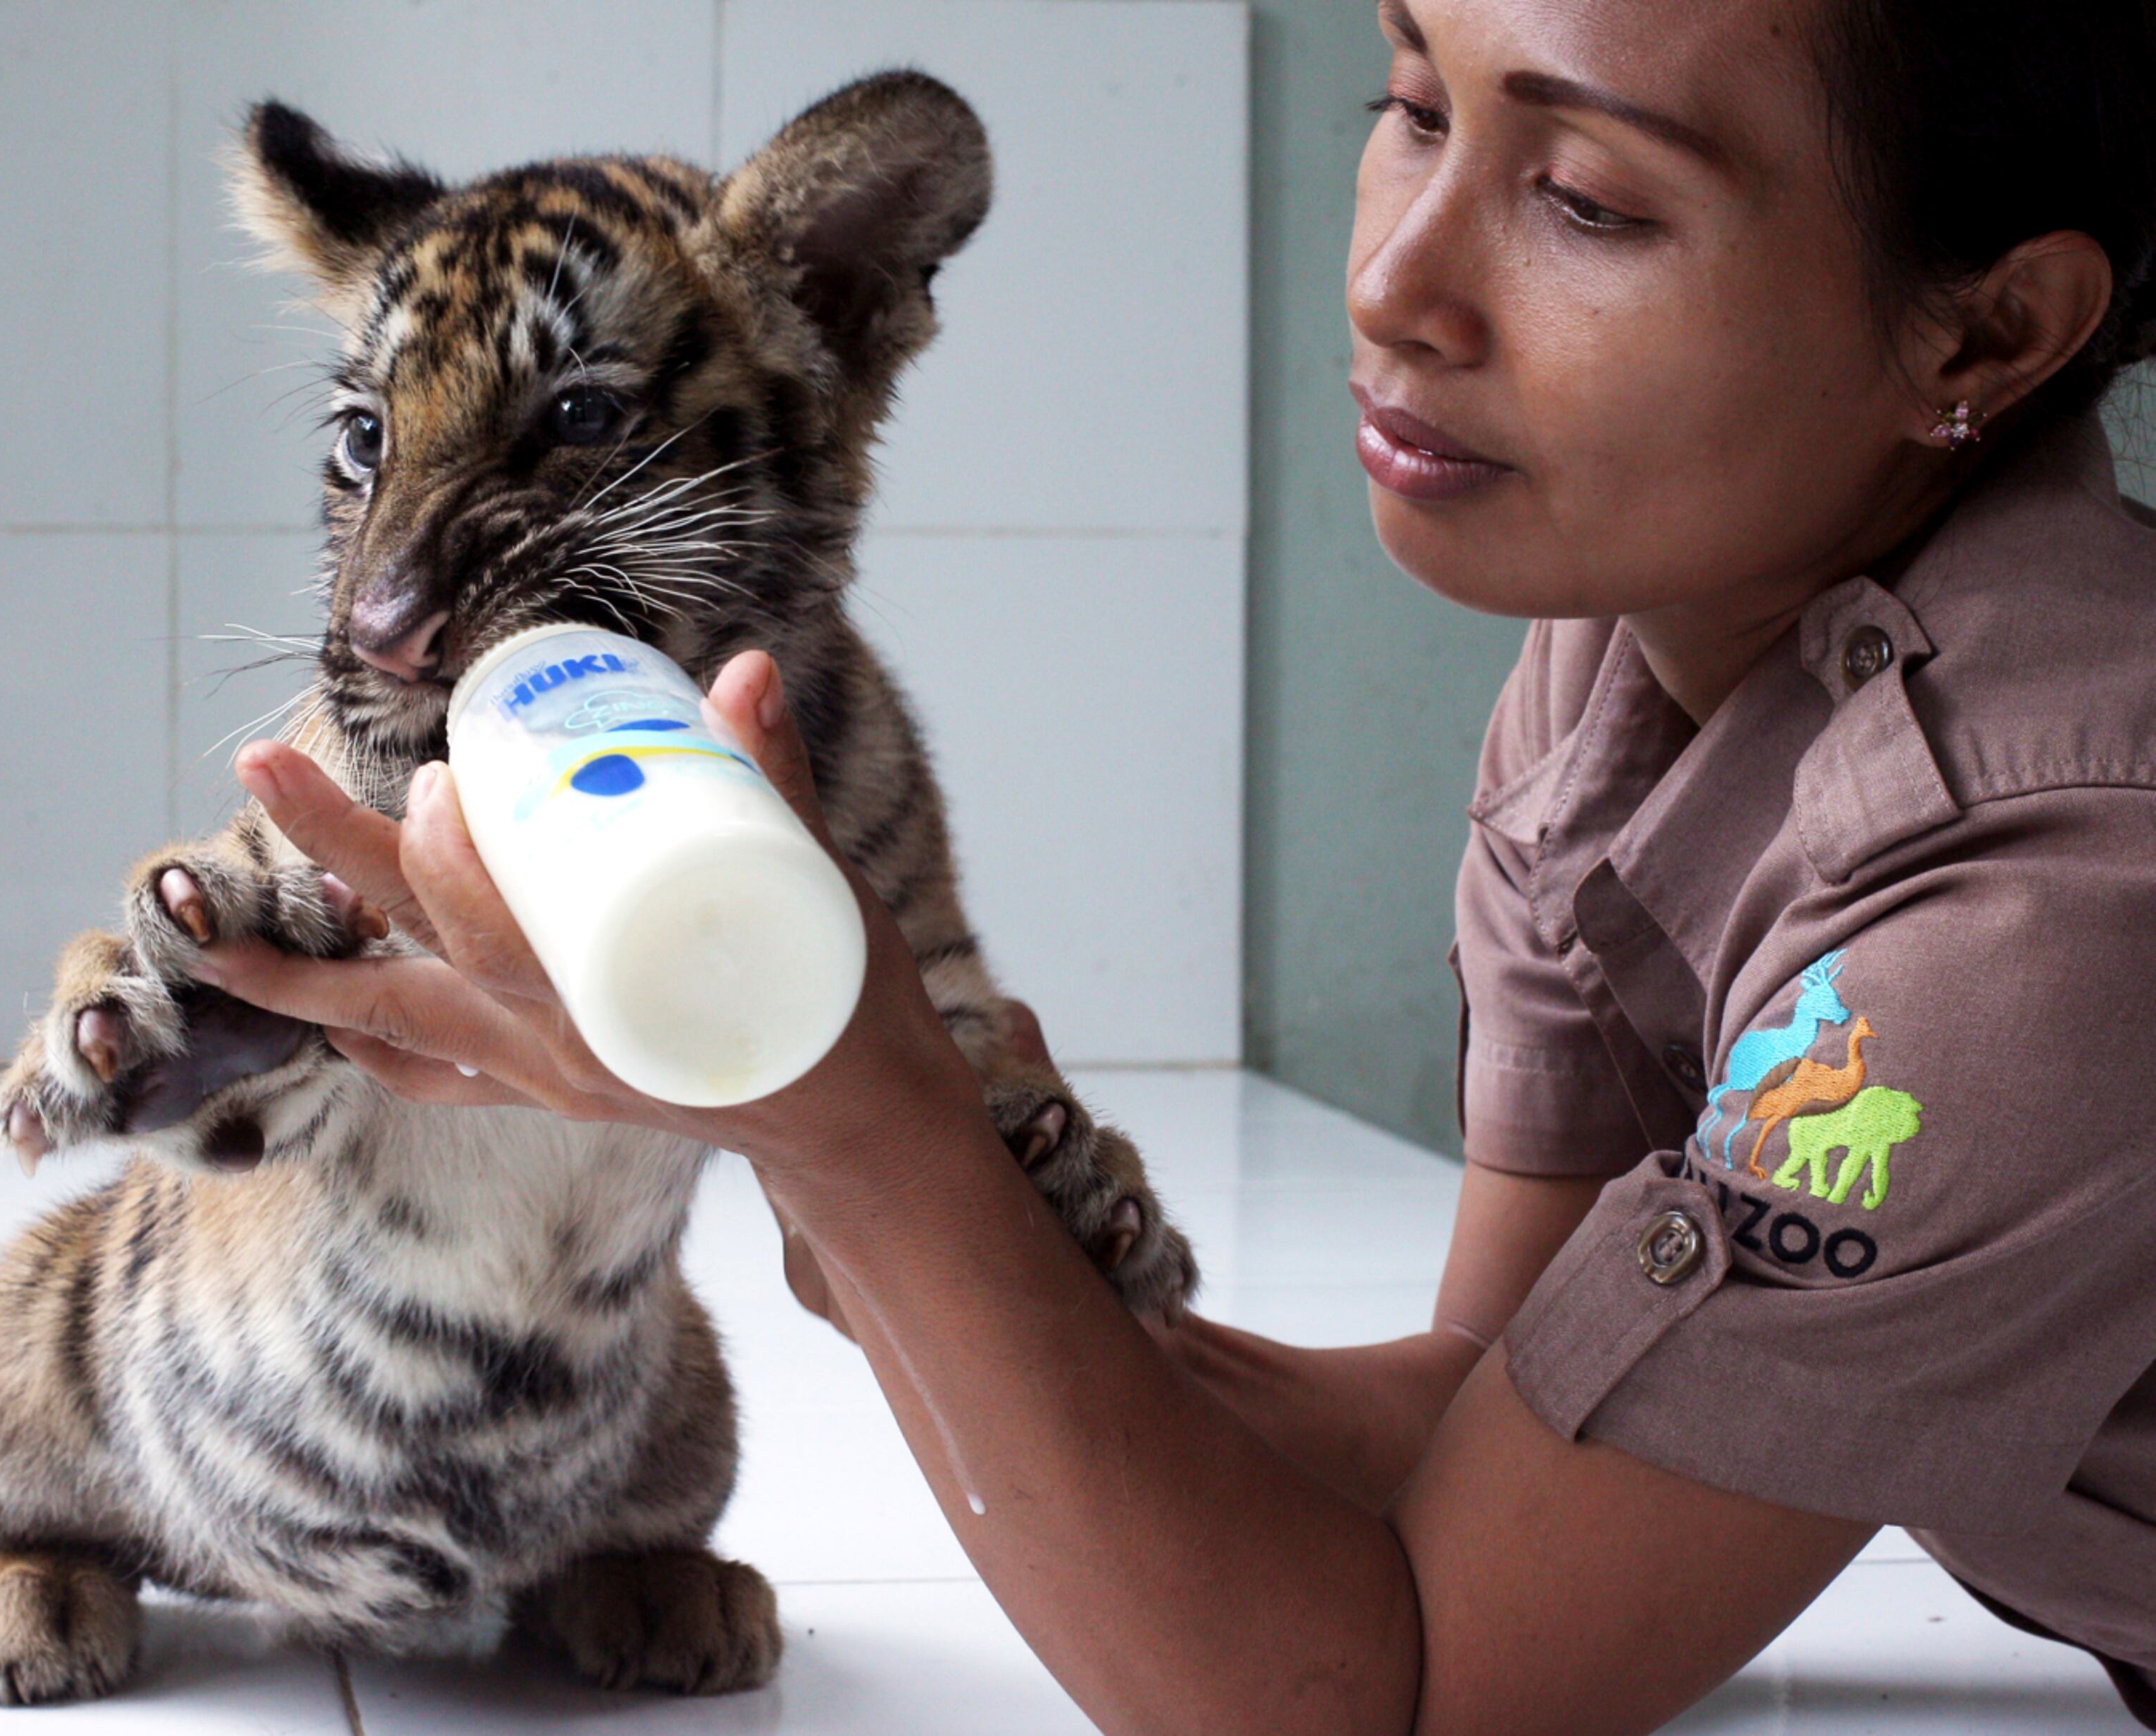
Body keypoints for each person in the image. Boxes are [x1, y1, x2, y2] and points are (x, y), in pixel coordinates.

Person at [183, 0, 2156, 1727]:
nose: (1395, 285)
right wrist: (939, 1193)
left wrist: (868, 1140)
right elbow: (1485, 1417)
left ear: (1983, 328)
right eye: (1412, 100)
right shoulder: (1645, 647)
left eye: (1593, 204)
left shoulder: (2030, 916)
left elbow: (1392, 1698)